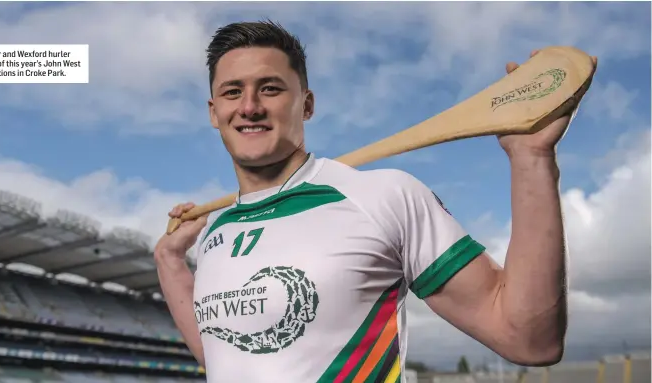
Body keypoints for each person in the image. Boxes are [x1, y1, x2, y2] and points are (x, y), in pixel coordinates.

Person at [154, 20, 597, 383]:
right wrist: (170, 261)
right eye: (233, 92)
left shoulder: (383, 196)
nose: (249, 106)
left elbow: (530, 340)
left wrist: (531, 159)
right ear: (214, 112)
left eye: (270, 88)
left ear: (306, 105)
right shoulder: (216, 231)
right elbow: (223, 360)